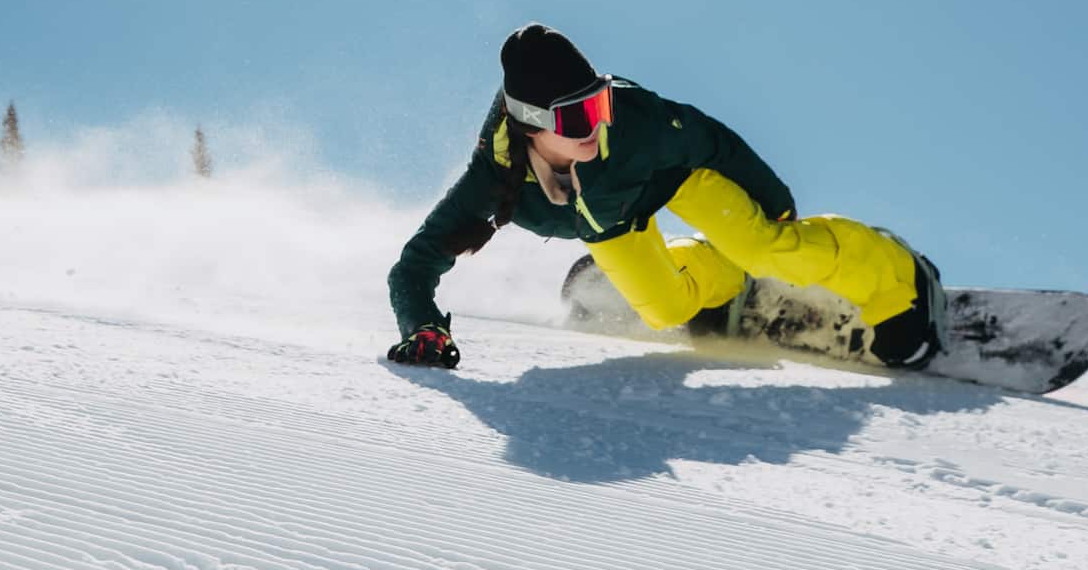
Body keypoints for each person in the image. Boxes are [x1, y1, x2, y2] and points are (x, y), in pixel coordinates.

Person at [386, 23, 946, 370]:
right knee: (668, 311)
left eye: (598, 103)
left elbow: (711, 140)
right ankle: (718, 280)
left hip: (681, 176)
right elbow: (414, 264)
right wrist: (423, 328)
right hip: (608, 225)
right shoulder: (491, 178)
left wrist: (772, 204)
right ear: (533, 124)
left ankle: (901, 281)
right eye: (578, 116)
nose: (596, 124)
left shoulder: (634, 120)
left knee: (767, 250)